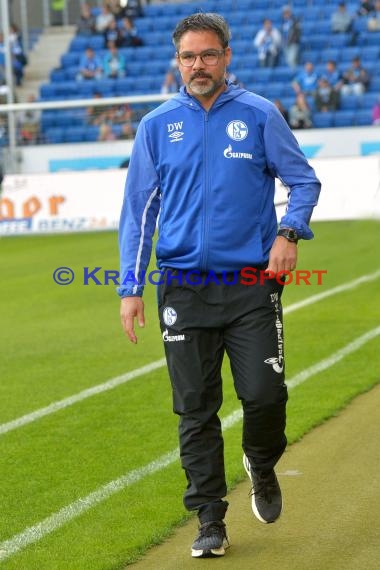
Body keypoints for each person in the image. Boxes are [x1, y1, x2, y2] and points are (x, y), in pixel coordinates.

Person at [118, 12, 321, 559]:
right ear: (177, 61)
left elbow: (303, 180)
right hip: (183, 289)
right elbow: (139, 210)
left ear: (227, 56)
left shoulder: (259, 114)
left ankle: (260, 458)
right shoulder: (156, 126)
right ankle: (209, 518)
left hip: (253, 284)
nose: (198, 66)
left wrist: (287, 231)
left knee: (264, 395)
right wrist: (131, 287)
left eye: (208, 55)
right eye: (189, 57)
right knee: (195, 408)